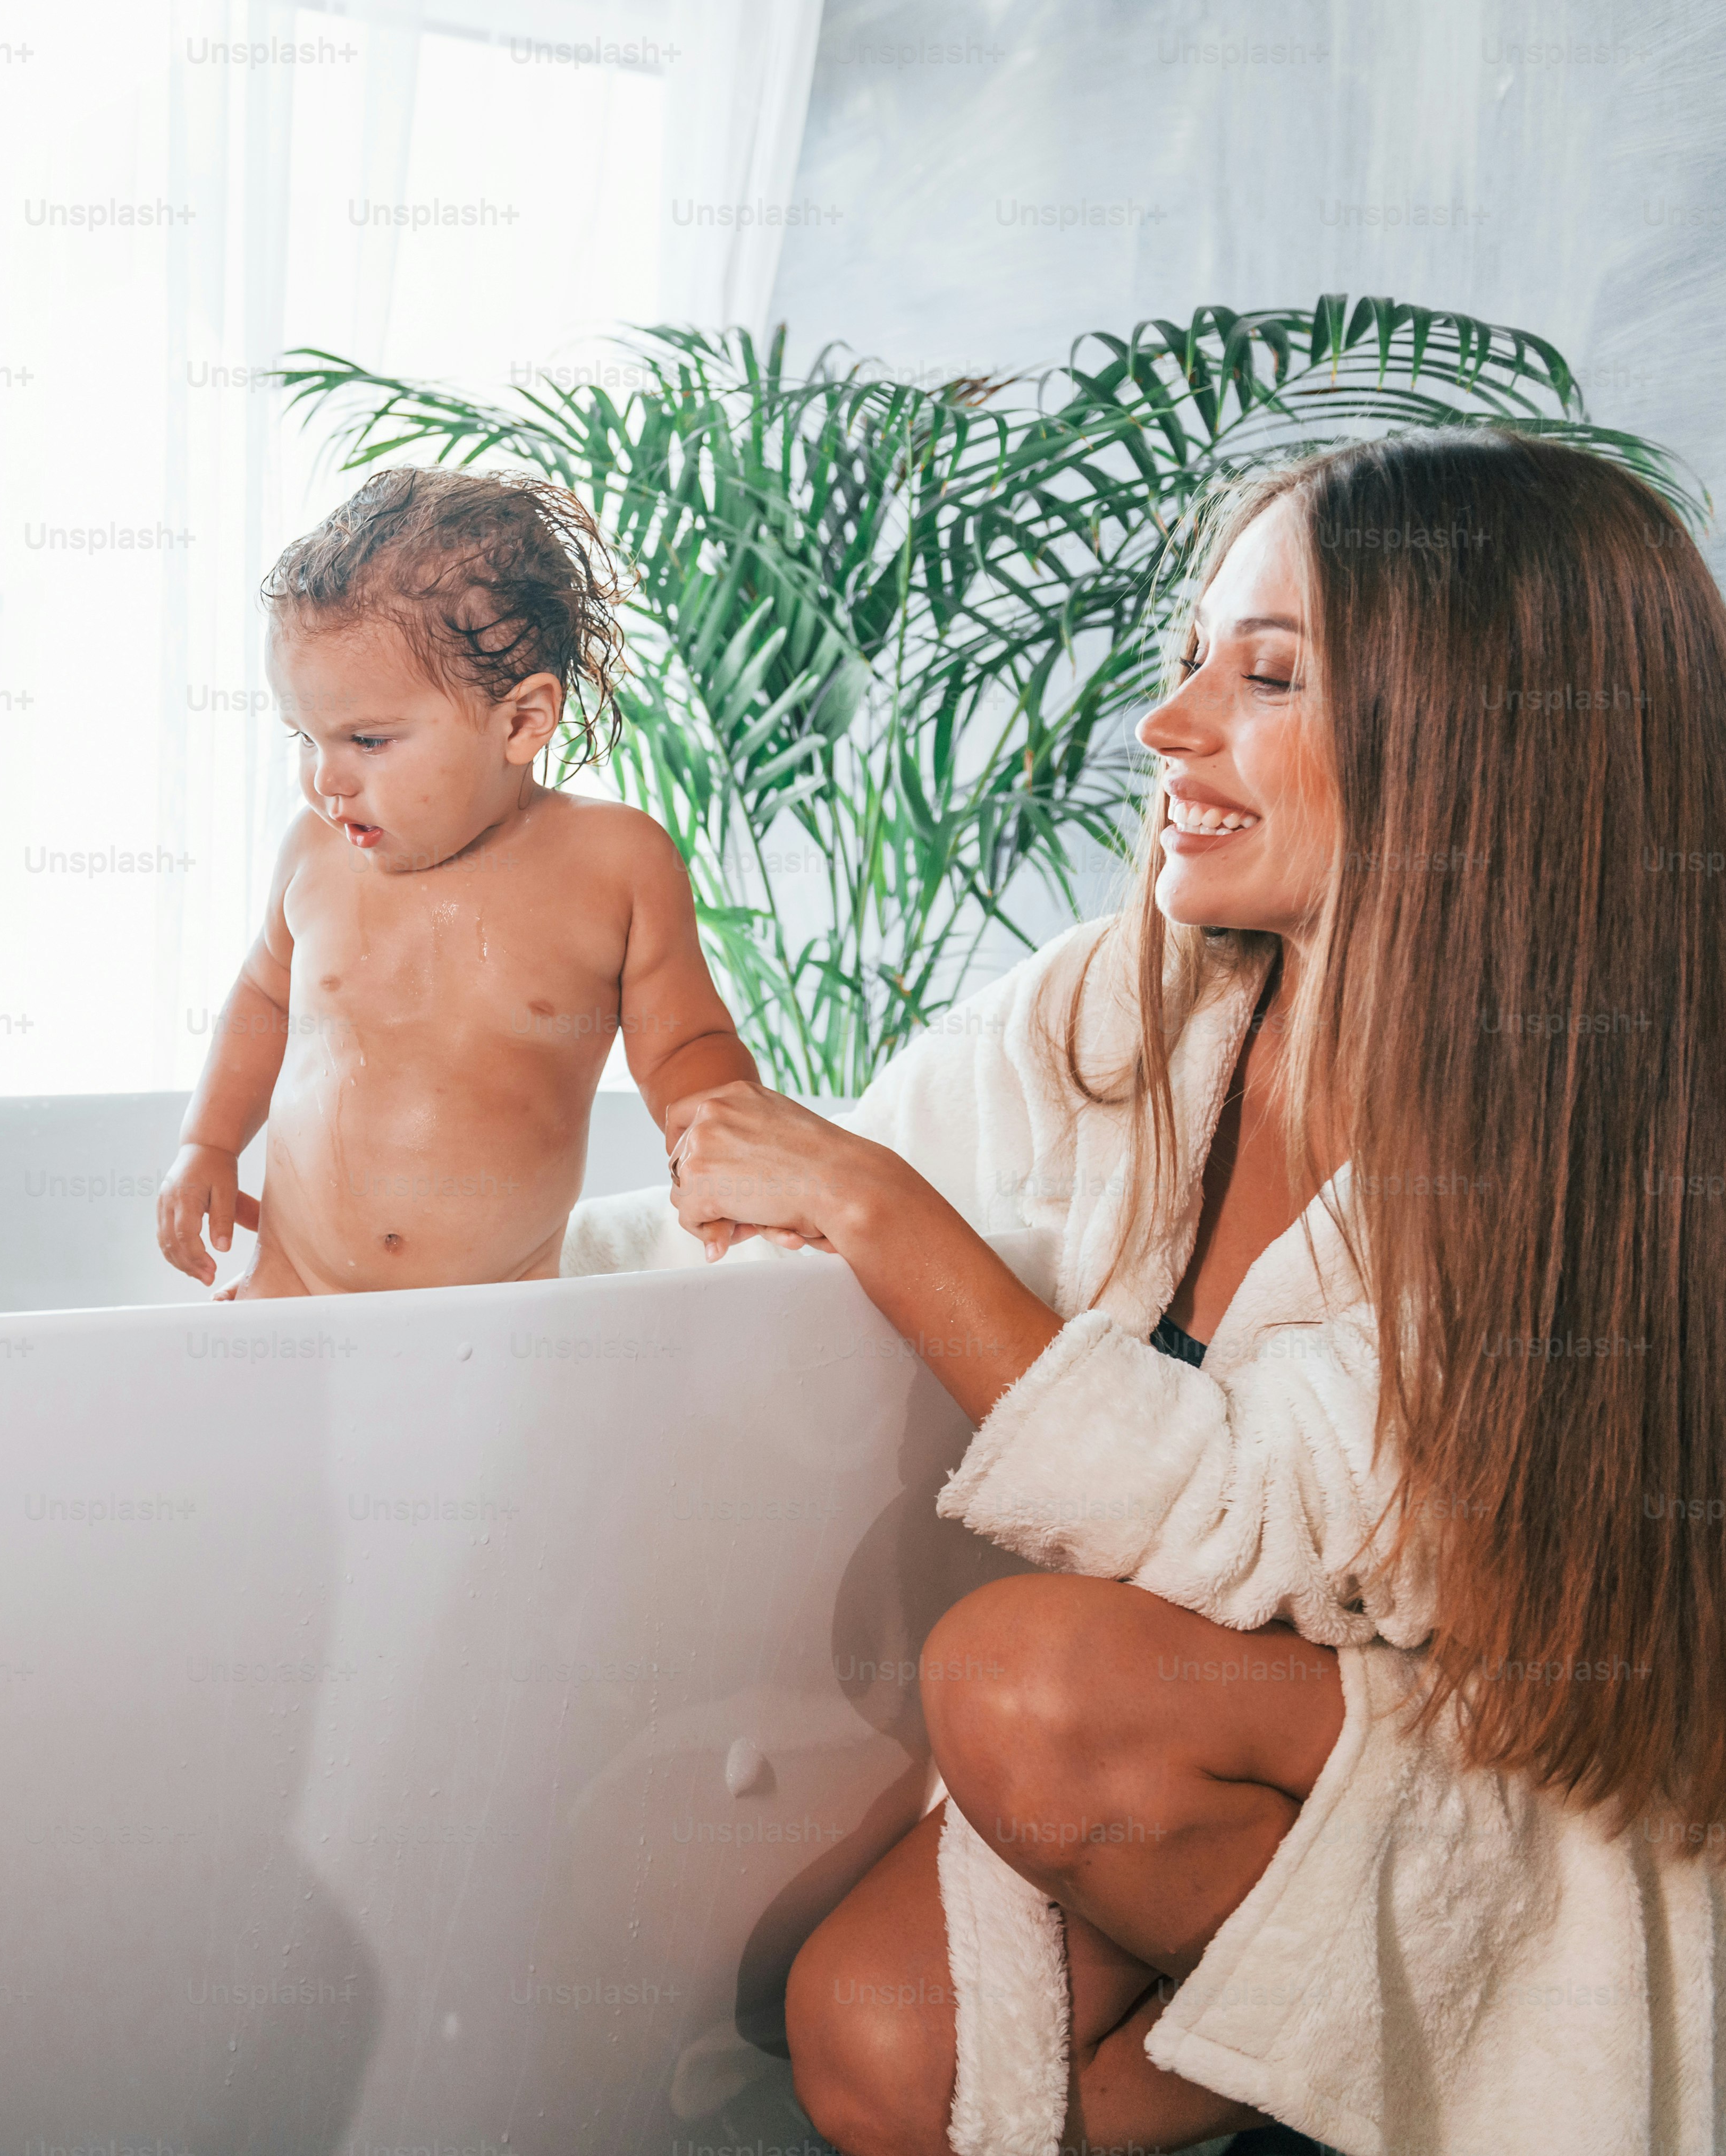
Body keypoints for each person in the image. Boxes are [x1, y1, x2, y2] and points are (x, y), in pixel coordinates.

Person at [575, 428, 1725, 2153]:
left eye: (1266, 676)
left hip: (1512, 1779)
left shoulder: (1586, 1144)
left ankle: (1481, 2065)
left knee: (1018, 1679)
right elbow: (763, 1217)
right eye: (1192, 660)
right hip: (1231, 1751)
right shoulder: (1134, 1005)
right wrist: (410, 1302)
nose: (1166, 726)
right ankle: (1357, 2073)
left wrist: (881, 1212)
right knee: (871, 2036)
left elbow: (1249, 1512)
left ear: (1480, 738)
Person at [156, 467, 756, 1298]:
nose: (326, 780)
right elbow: (264, 997)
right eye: (305, 737)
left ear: (522, 721)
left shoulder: (614, 863)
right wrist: (209, 1143)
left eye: (368, 740)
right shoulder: (315, 851)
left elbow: (686, 1043)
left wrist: (721, 1143)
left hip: (494, 1309)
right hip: (294, 1286)